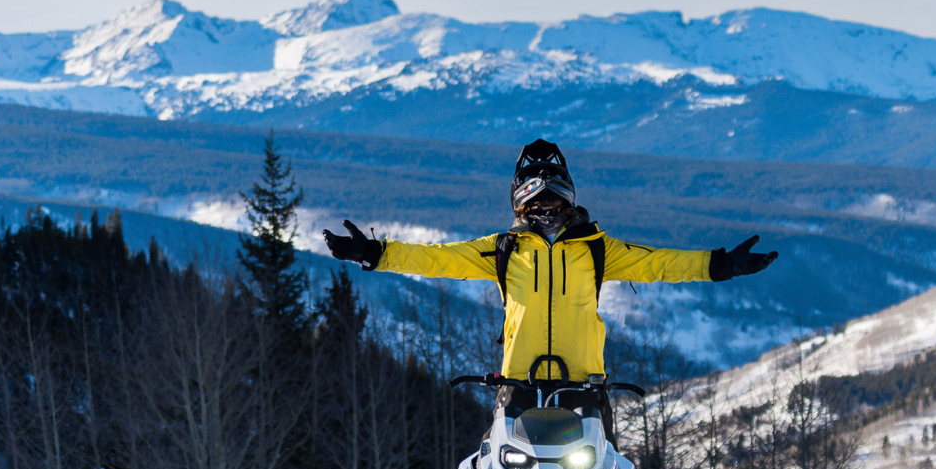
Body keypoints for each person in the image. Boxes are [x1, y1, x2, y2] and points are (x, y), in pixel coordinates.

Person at [322, 138, 776, 387]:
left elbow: (657, 263)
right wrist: (373, 253)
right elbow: (436, 259)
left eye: (553, 189)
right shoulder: (503, 250)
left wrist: (721, 265)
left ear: (568, 193)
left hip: (586, 387)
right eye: (536, 191)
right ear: (520, 198)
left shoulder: (598, 249)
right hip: (517, 386)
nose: (546, 201)